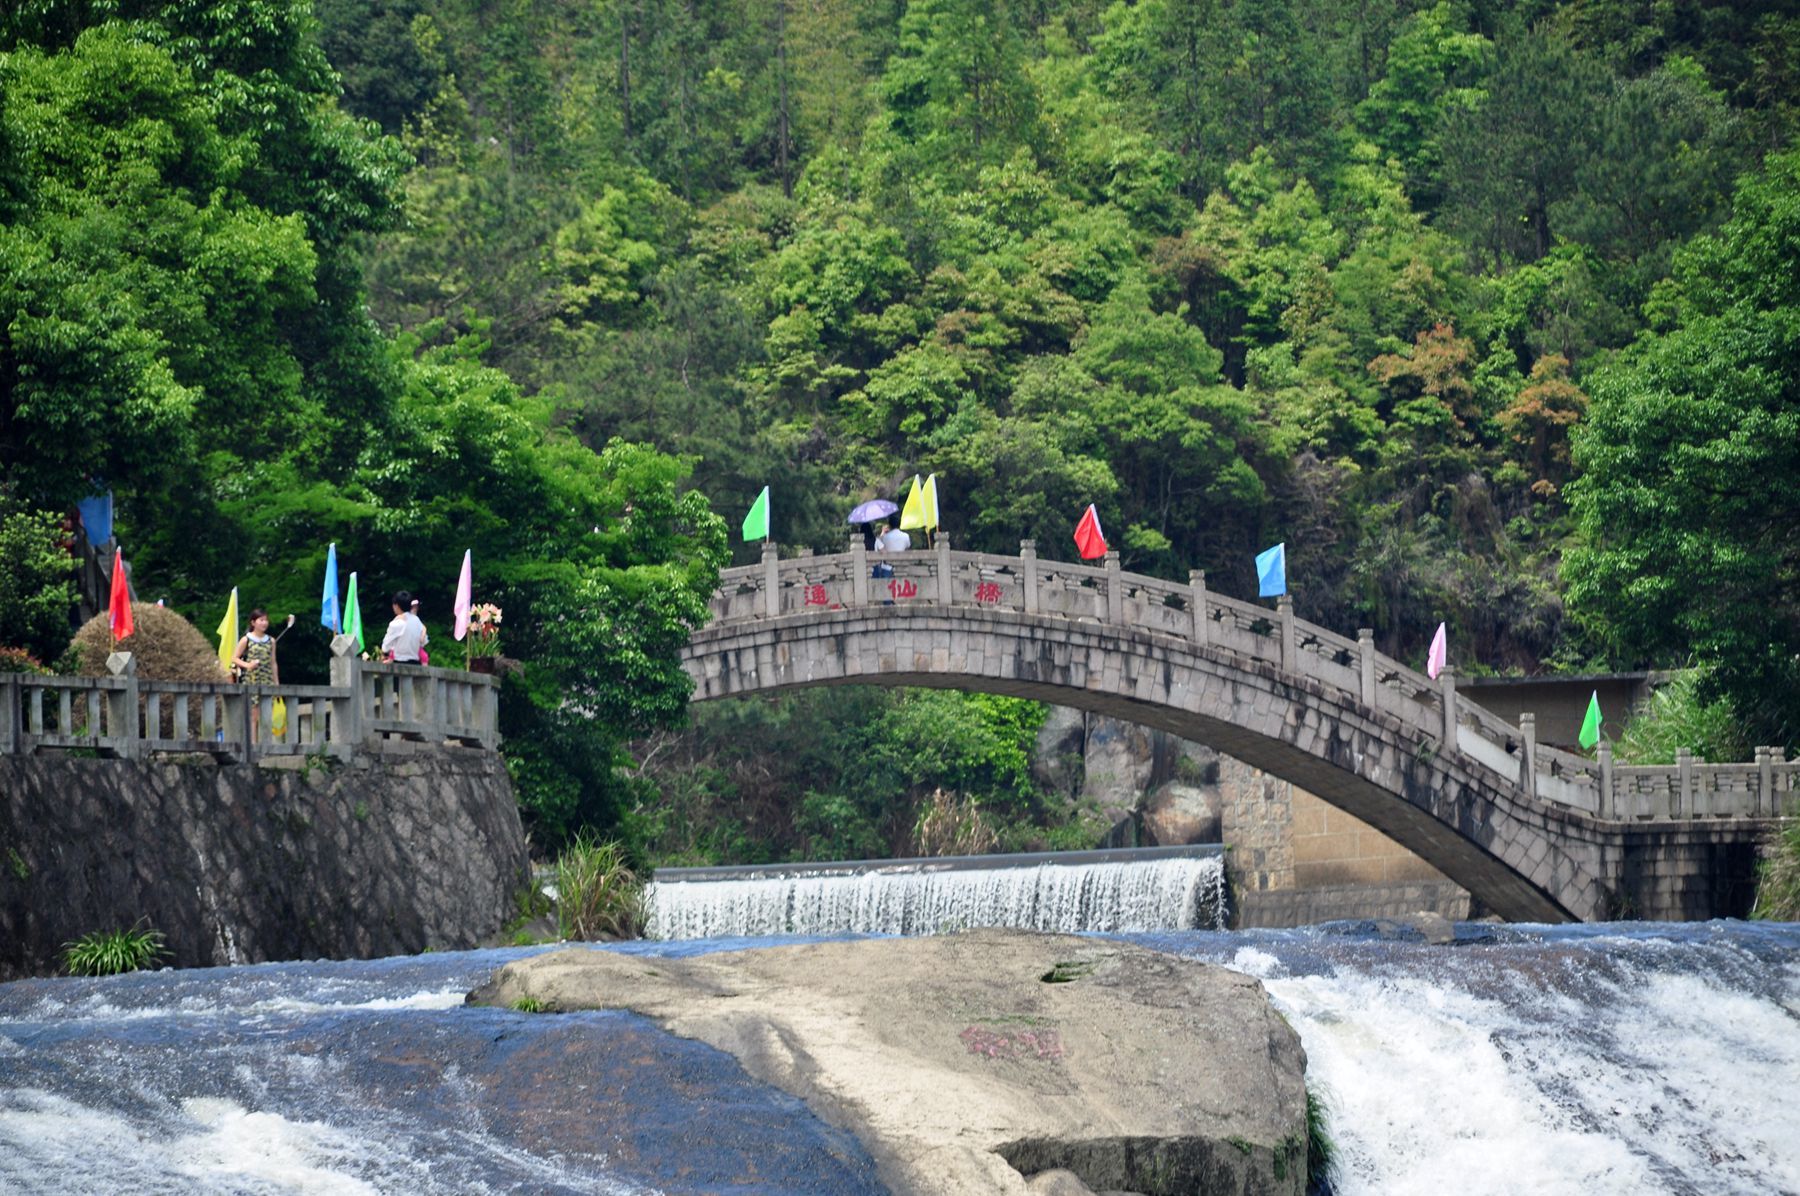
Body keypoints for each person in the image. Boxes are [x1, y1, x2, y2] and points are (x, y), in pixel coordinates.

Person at [232, 609, 280, 741]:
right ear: (253, 622)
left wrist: (276, 683)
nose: (264, 623)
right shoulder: (246, 639)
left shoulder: (271, 641)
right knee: (254, 715)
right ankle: (252, 744)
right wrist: (248, 665)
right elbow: (234, 658)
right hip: (251, 680)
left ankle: (266, 742)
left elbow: (273, 663)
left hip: (267, 680)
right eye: (261, 620)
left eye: (266, 620)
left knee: (267, 714)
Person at [382, 591, 428, 664]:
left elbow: (385, 646)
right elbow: (424, 642)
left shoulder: (397, 622)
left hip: (399, 663)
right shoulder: (417, 620)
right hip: (415, 663)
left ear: (396, 605)